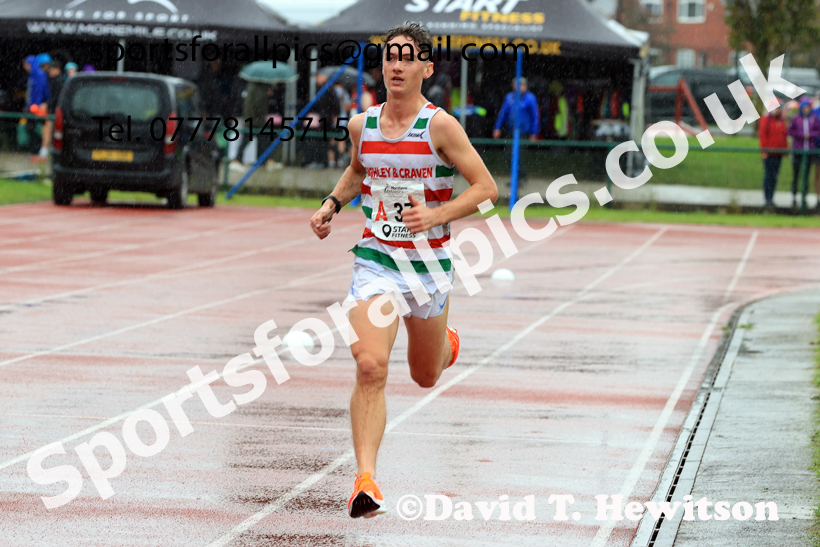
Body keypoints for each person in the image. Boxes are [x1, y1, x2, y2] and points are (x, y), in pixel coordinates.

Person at [309, 23, 497, 519]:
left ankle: (445, 343)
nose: (395, 64)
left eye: (407, 57)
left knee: (425, 375)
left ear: (426, 68)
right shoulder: (361, 125)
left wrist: (436, 215)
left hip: (429, 270)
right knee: (370, 365)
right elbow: (358, 170)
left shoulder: (441, 128)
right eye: (389, 56)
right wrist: (332, 202)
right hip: (376, 262)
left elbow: (486, 188)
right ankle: (365, 481)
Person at [230, 81, 272, 170]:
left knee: (260, 140)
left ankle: (262, 160)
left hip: (255, 120)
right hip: (254, 120)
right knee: (249, 140)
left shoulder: (255, 88)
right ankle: (238, 160)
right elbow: (258, 105)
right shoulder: (256, 89)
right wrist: (267, 96)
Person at [788, 99, 820, 209]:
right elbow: (790, 131)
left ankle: (804, 198)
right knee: (796, 175)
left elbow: (817, 131)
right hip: (798, 150)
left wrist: (809, 135)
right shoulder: (796, 119)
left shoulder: (813, 118)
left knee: (806, 176)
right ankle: (794, 197)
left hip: (809, 151)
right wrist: (801, 135)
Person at [759, 105, 788, 209]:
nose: (778, 110)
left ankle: (771, 198)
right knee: (769, 176)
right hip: (770, 153)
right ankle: (767, 199)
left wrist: (785, 149)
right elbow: (763, 136)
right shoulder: (766, 120)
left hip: (778, 153)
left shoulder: (781, 120)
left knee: (774, 177)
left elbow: (784, 136)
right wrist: (764, 151)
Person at [28, 54, 52, 162]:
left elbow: (45, 93)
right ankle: (42, 153)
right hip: (42, 107)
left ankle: (43, 154)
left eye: (47, 65)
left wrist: (44, 103)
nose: (46, 67)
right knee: (42, 130)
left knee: (47, 131)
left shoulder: (44, 76)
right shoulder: (39, 75)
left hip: (47, 108)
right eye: (44, 65)